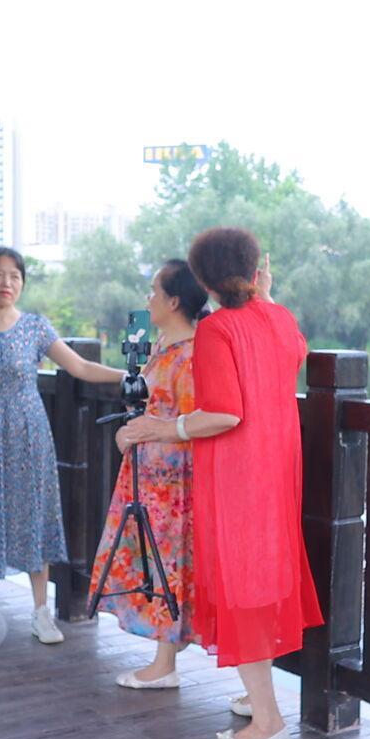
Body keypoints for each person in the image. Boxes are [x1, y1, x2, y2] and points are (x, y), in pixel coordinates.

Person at [121, 227, 321, 739]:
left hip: (238, 474)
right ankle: (259, 701)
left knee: (241, 587)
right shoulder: (279, 318)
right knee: (261, 582)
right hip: (277, 469)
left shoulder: (216, 330)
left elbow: (224, 414)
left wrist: (162, 427)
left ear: (204, 280)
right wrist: (267, 296)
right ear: (254, 270)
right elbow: (295, 350)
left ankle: (268, 722)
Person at [0, 245, 120, 643]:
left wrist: (132, 374)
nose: (6, 282)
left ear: (22, 284)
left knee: (34, 512)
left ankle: (41, 612)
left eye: (15, 276)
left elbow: (80, 366)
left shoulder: (35, 327)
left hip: (28, 433)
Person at [94, 259, 214, 684]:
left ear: (173, 301)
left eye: (153, 292)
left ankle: (165, 665)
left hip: (174, 479)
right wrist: (130, 433)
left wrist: (148, 432)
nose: (147, 300)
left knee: (169, 560)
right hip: (148, 472)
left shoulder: (193, 354)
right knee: (155, 558)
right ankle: (166, 655)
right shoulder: (162, 345)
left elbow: (192, 418)